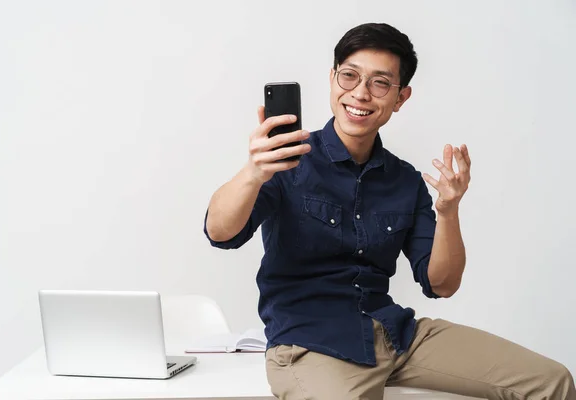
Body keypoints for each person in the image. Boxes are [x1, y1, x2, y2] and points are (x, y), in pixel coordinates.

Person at [203, 22, 575, 400]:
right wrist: (252, 172)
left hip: (396, 335)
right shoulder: (286, 162)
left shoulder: (406, 180)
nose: (360, 94)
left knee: (552, 381)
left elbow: (442, 284)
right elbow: (220, 232)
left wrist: (448, 211)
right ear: (332, 80)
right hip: (311, 344)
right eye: (349, 76)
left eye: (380, 83)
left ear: (400, 98)